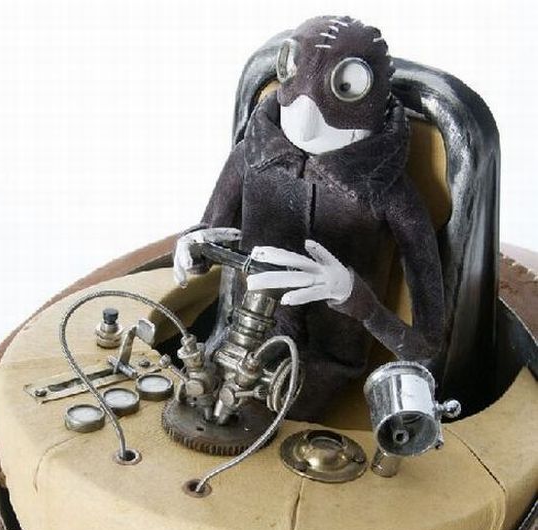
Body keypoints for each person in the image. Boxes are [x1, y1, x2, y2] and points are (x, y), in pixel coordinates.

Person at [173, 15, 444, 421]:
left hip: (321, 368)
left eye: (345, 87)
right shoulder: (251, 154)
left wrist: (352, 296)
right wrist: (193, 248)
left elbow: (424, 347)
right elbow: (210, 236)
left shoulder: (391, 194)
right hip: (231, 339)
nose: (307, 121)